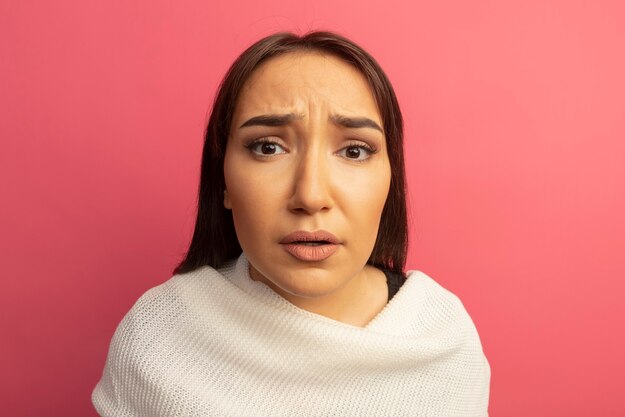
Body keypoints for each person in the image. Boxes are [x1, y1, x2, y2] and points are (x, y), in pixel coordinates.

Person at [92, 31, 491, 416]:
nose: (311, 195)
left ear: (390, 181)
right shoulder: (158, 335)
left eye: (354, 150)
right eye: (268, 147)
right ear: (223, 181)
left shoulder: (443, 335)